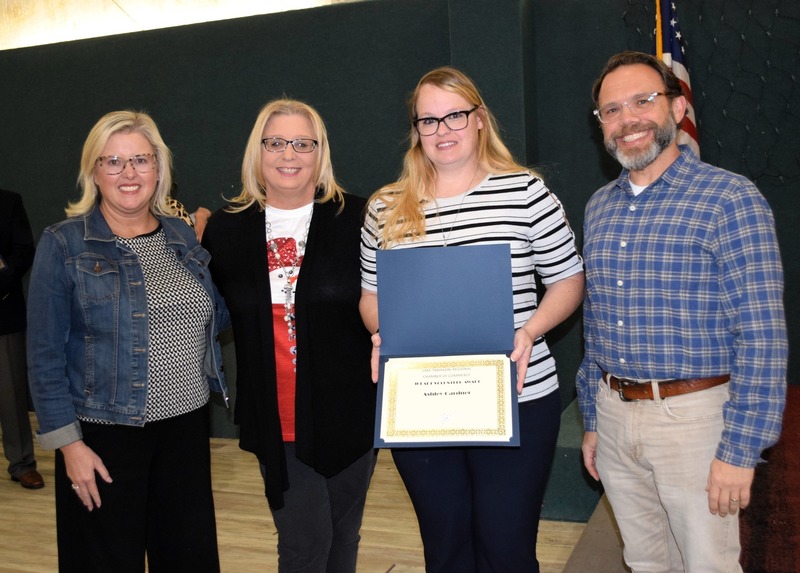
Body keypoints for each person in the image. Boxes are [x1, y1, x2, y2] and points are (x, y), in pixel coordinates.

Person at [360, 67, 585, 572]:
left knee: (506, 546)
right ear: (415, 130)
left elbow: (569, 280)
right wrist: (384, 330)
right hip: (420, 401)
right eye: (428, 121)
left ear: (479, 118)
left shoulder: (526, 192)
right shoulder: (385, 207)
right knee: (445, 546)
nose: (442, 131)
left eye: (455, 115)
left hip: (518, 394)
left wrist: (529, 331)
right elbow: (370, 295)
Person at [577, 51, 788, 572]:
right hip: (614, 414)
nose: (628, 121)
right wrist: (593, 419)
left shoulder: (731, 199)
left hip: (696, 424)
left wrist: (741, 450)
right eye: (612, 110)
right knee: (646, 562)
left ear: (675, 106)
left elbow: (761, 336)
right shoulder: (598, 206)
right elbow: (596, 323)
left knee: (707, 565)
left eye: (642, 101)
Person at [26, 110, 229, 573]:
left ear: (159, 167)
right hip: (102, 435)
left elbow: (211, 317)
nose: (129, 173)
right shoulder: (63, 244)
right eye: (113, 161)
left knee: (188, 558)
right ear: (93, 171)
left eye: (141, 159)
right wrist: (69, 447)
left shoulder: (180, 235)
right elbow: (43, 357)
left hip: (185, 430)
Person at [202, 99, 376, 573]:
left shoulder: (360, 218)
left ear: (320, 153)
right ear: (257, 152)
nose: (289, 154)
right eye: (275, 142)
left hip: (350, 412)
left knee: (343, 536)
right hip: (275, 418)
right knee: (304, 544)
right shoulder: (226, 229)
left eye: (303, 143)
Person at [0, 189, 42, 490]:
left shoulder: (9, 201)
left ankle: (22, 463)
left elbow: (23, 250)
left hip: (3, 311)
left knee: (10, 393)